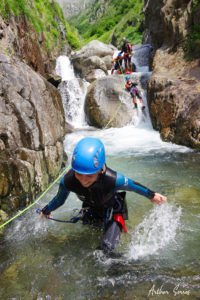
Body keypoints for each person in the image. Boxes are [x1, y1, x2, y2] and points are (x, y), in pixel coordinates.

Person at [41, 137, 167, 254]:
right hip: (90, 207)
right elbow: (59, 199)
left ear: (100, 169)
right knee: (86, 239)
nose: (83, 180)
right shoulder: (68, 181)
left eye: (89, 175)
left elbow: (134, 186)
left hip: (114, 209)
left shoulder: (113, 180)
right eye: (79, 174)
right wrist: (46, 210)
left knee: (106, 250)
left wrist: (152, 195)